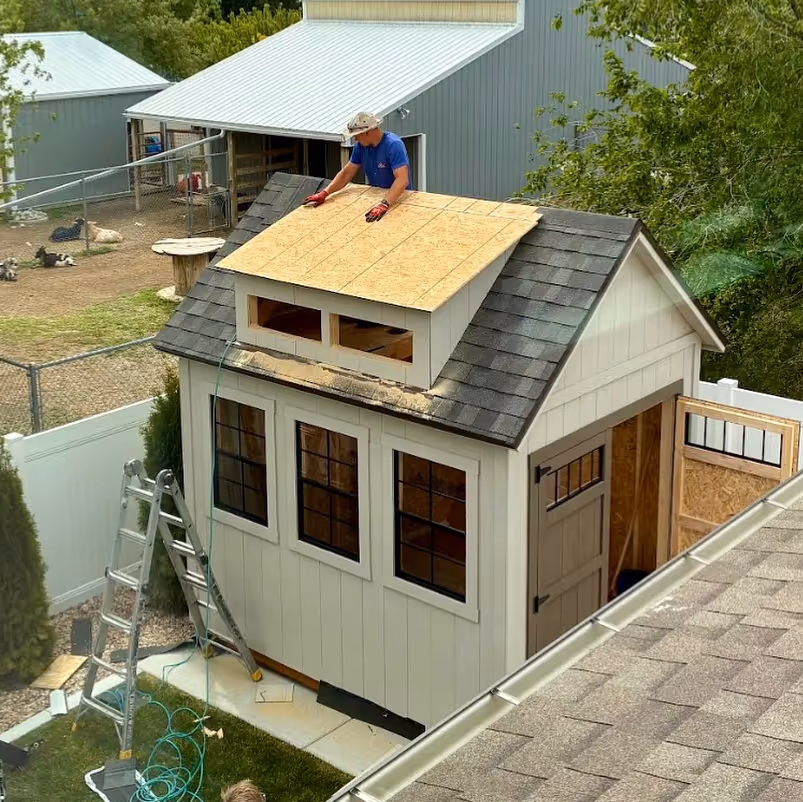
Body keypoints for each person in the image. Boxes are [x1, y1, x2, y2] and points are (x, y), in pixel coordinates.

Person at [303, 112, 412, 222]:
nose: (355, 139)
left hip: (398, 201)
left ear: (366, 132)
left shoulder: (393, 145)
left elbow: (402, 180)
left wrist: (384, 204)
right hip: (376, 199)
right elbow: (346, 174)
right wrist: (325, 193)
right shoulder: (360, 147)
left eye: (356, 135)